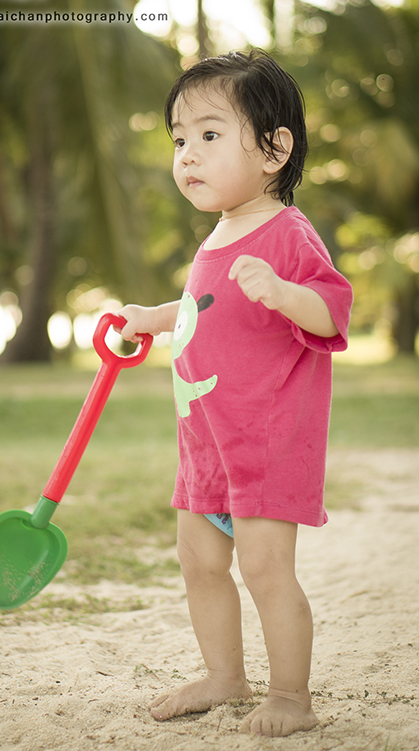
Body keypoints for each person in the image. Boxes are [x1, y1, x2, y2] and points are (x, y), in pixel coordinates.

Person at [117, 49, 353, 738]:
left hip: (266, 439)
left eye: (209, 135)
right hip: (207, 441)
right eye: (179, 140)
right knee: (198, 560)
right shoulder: (218, 235)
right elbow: (204, 309)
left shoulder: (286, 232)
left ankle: (290, 695)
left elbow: (332, 310)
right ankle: (224, 675)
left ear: (274, 149)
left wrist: (285, 293)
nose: (187, 155)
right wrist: (152, 320)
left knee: (263, 566)